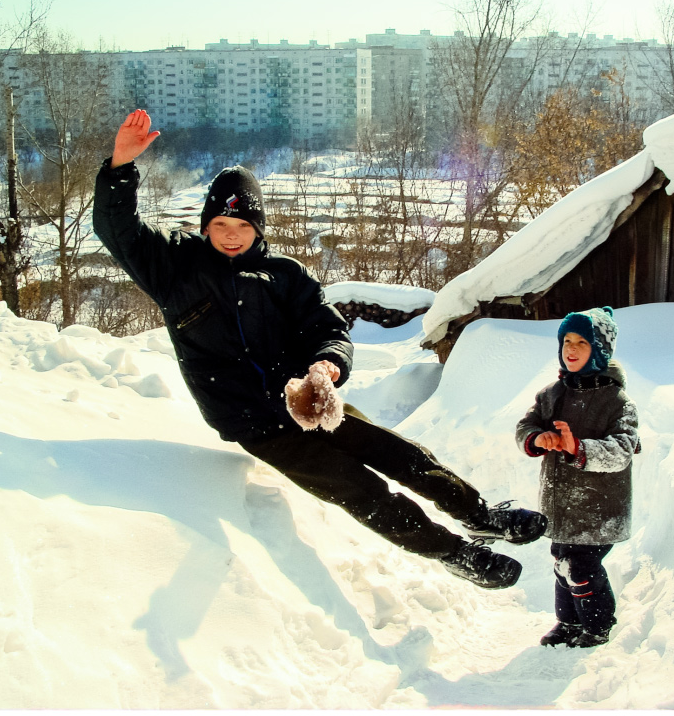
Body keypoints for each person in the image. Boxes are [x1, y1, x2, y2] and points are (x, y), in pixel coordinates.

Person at [93, 109, 547, 590]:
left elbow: (327, 329)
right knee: (361, 490)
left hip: (311, 402)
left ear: (259, 229)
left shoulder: (286, 276)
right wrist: (120, 167)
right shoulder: (174, 269)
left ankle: (479, 514)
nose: (231, 233)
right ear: (207, 225)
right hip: (256, 425)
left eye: (243, 225)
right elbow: (118, 232)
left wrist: (328, 365)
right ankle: (456, 553)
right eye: (222, 222)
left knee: (402, 455)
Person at [515, 307, 640, 647]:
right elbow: (525, 425)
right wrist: (537, 438)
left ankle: (598, 627)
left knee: (581, 569)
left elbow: (622, 449)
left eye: (582, 342)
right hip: (559, 504)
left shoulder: (617, 402)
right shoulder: (552, 394)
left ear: (599, 350)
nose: (571, 348)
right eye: (566, 341)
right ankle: (568, 623)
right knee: (562, 565)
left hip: (599, 507)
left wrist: (579, 448)